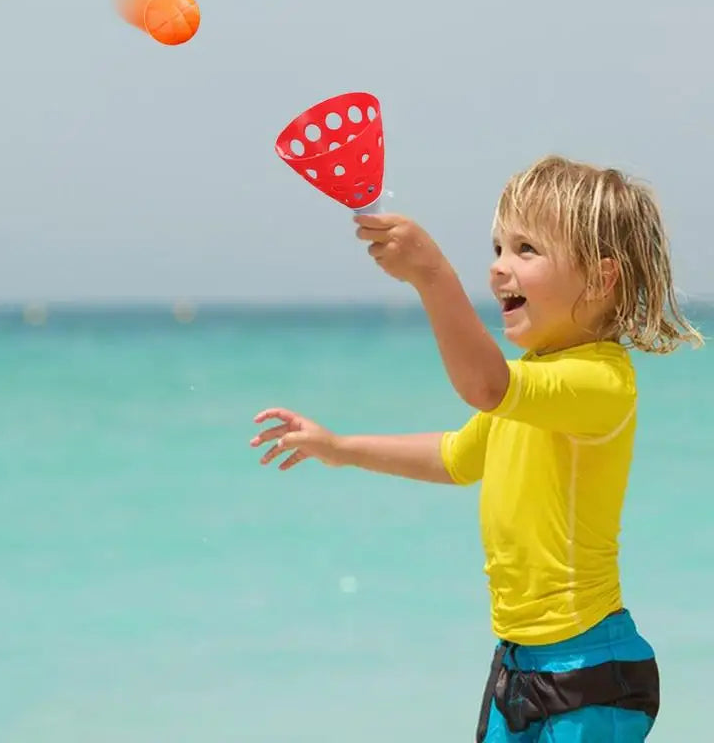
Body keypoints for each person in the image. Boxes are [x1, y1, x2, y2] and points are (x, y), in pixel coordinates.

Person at [249, 155, 703, 741]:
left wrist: (433, 276)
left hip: (591, 672)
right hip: (518, 669)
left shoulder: (601, 383)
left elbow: (485, 385)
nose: (499, 269)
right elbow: (458, 457)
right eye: (497, 249)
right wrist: (339, 447)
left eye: (526, 250)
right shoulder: (533, 387)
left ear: (600, 278)